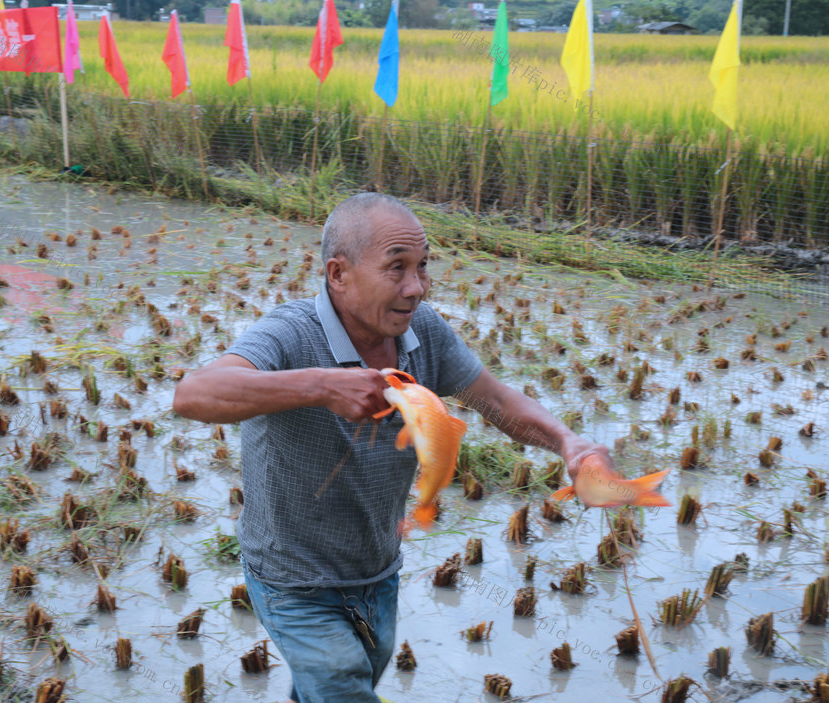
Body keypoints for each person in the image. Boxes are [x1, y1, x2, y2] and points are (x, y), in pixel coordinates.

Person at [172, 193, 613, 702]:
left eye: (423, 267)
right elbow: (193, 394)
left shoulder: (421, 332)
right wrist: (321, 386)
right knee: (342, 683)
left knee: (348, 678)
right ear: (338, 275)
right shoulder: (291, 334)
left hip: (377, 567)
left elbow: (494, 399)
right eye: (396, 268)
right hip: (291, 577)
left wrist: (567, 442)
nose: (417, 287)